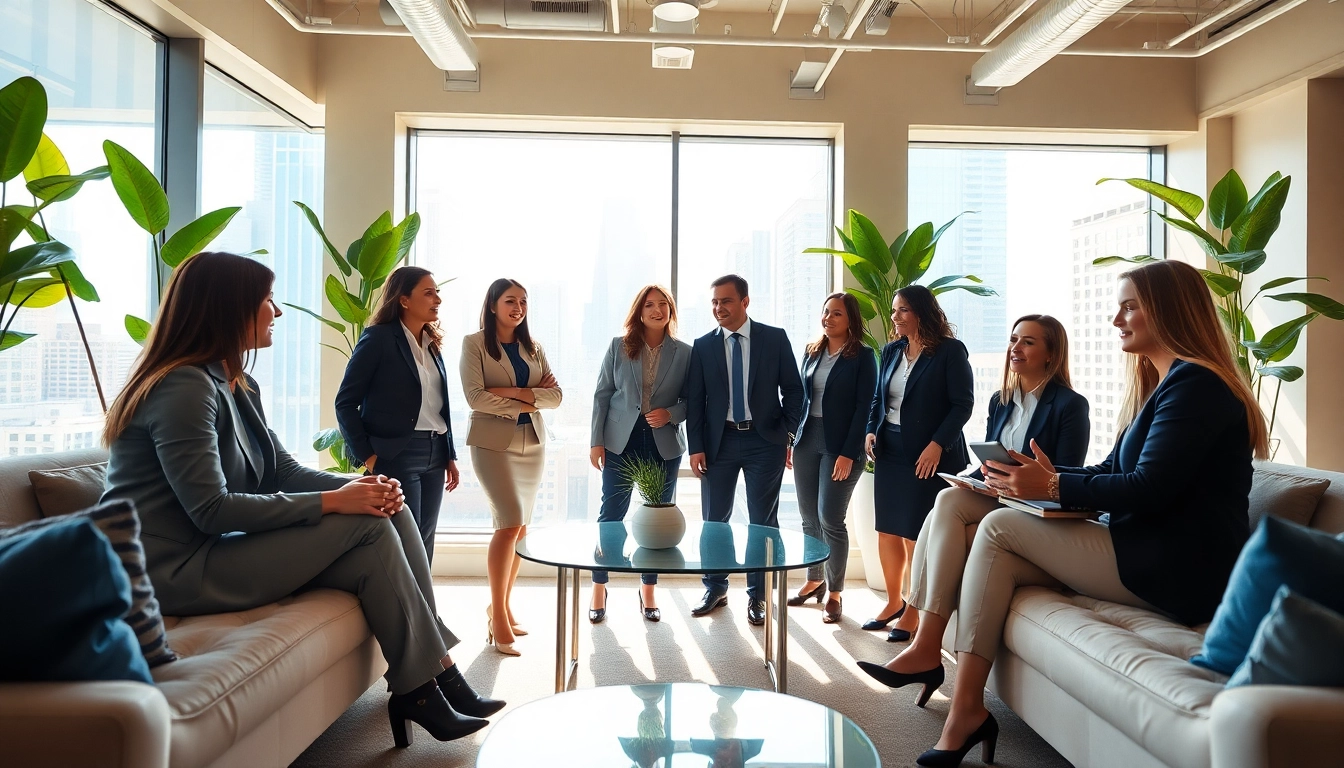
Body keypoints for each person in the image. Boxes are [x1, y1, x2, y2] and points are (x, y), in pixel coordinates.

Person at [859, 260, 1267, 767]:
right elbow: (1112, 469)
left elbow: (1150, 487)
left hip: (1173, 567)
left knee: (1000, 528)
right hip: (1142, 544)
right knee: (958, 502)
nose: (1116, 320)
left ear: (1169, 309)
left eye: (1129, 307)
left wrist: (1052, 483)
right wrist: (1043, 477)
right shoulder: (1163, 385)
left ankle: (940, 671)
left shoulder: (1196, 385)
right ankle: (961, 702)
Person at [100, 252, 502, 749]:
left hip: (215, 550)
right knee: (368, 524)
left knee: (383, 508)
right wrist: (338, 503)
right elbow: (212, 510)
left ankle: (434, 673)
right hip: (171, 570)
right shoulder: (183, 387)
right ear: (230, 309)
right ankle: (424, 685)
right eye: (267, 300)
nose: (278, 311)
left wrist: (358, 489)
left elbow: (279, 471)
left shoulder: (237, 384)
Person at [686, 274, 804, 625]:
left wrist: (786, 434)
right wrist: (696, 448)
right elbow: (696, 402)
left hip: (763, 441)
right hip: (717, 442)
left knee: (762, 522)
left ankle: (758, 596)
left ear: (745, 302)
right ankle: (715, 587)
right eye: (714, 302)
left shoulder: (774, 338)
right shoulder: (703, 346)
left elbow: (795, 392)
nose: (719, 308)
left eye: (726, 301)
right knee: (714, 520)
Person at [862, 285, 974, 642]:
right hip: (889, 450)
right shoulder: (892, 349)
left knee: (915, 533)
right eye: (894, 310)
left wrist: (937, 444)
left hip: (928, 454)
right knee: (887, 529)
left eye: (903, 310)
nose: (894, 317)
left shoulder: (949, 352)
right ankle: (893, 600)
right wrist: (869, 431)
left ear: (923, 313)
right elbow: (879, 397)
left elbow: (962, 404)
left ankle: (913, 609)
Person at [460, 278, 562, 656]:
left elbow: (556, 397)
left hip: (531, 445)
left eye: (523, 301)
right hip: (492, 446)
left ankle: (500, 605)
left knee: (520, 528)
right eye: (509, 300)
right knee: (508, 524)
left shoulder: (533, 347)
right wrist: (529, 399)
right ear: (492, 305)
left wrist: (511, 393)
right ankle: (497, 617)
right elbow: (474, 397)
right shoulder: (474, 344)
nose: (518, 307)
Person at [335, 266, 459, 565]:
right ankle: (404, 610)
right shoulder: (378, 339)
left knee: (425, 539)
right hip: (397, 454)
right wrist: (368, 457)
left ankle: (425, 610)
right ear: (404, 300)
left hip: (435, 452)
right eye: (428, 293)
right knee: (406, 540)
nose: (437, 299)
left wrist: (449, 454)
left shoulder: (432, 345)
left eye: (437, 292)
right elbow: (345, 402)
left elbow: (438, 405)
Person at [589, 284, 691, 623]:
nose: (657, 309)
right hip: (621, 440)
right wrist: (596, 441)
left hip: (663, 442)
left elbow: (694, 400)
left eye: (664, 304)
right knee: (612, 512)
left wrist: (671, 415)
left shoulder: (685, 352)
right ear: (640, 310)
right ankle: (599, 586)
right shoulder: (619, 347)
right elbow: (602, 394)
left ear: (671, 311)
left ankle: (648, 589)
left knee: (657, 521)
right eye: (650, 304)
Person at [786, 292, 877, 624]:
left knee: (830, 518)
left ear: (850, 319)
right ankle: (814, 580)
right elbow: (801, 399)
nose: (828, 318)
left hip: (842, 445)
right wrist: (790, 438)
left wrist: (848, 453)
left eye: (836, 313)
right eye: (825, 312)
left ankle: (835, 592)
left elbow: (864, 407)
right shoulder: (812, 351)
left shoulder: (863, 357)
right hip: (807, 438)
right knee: (808, 517)